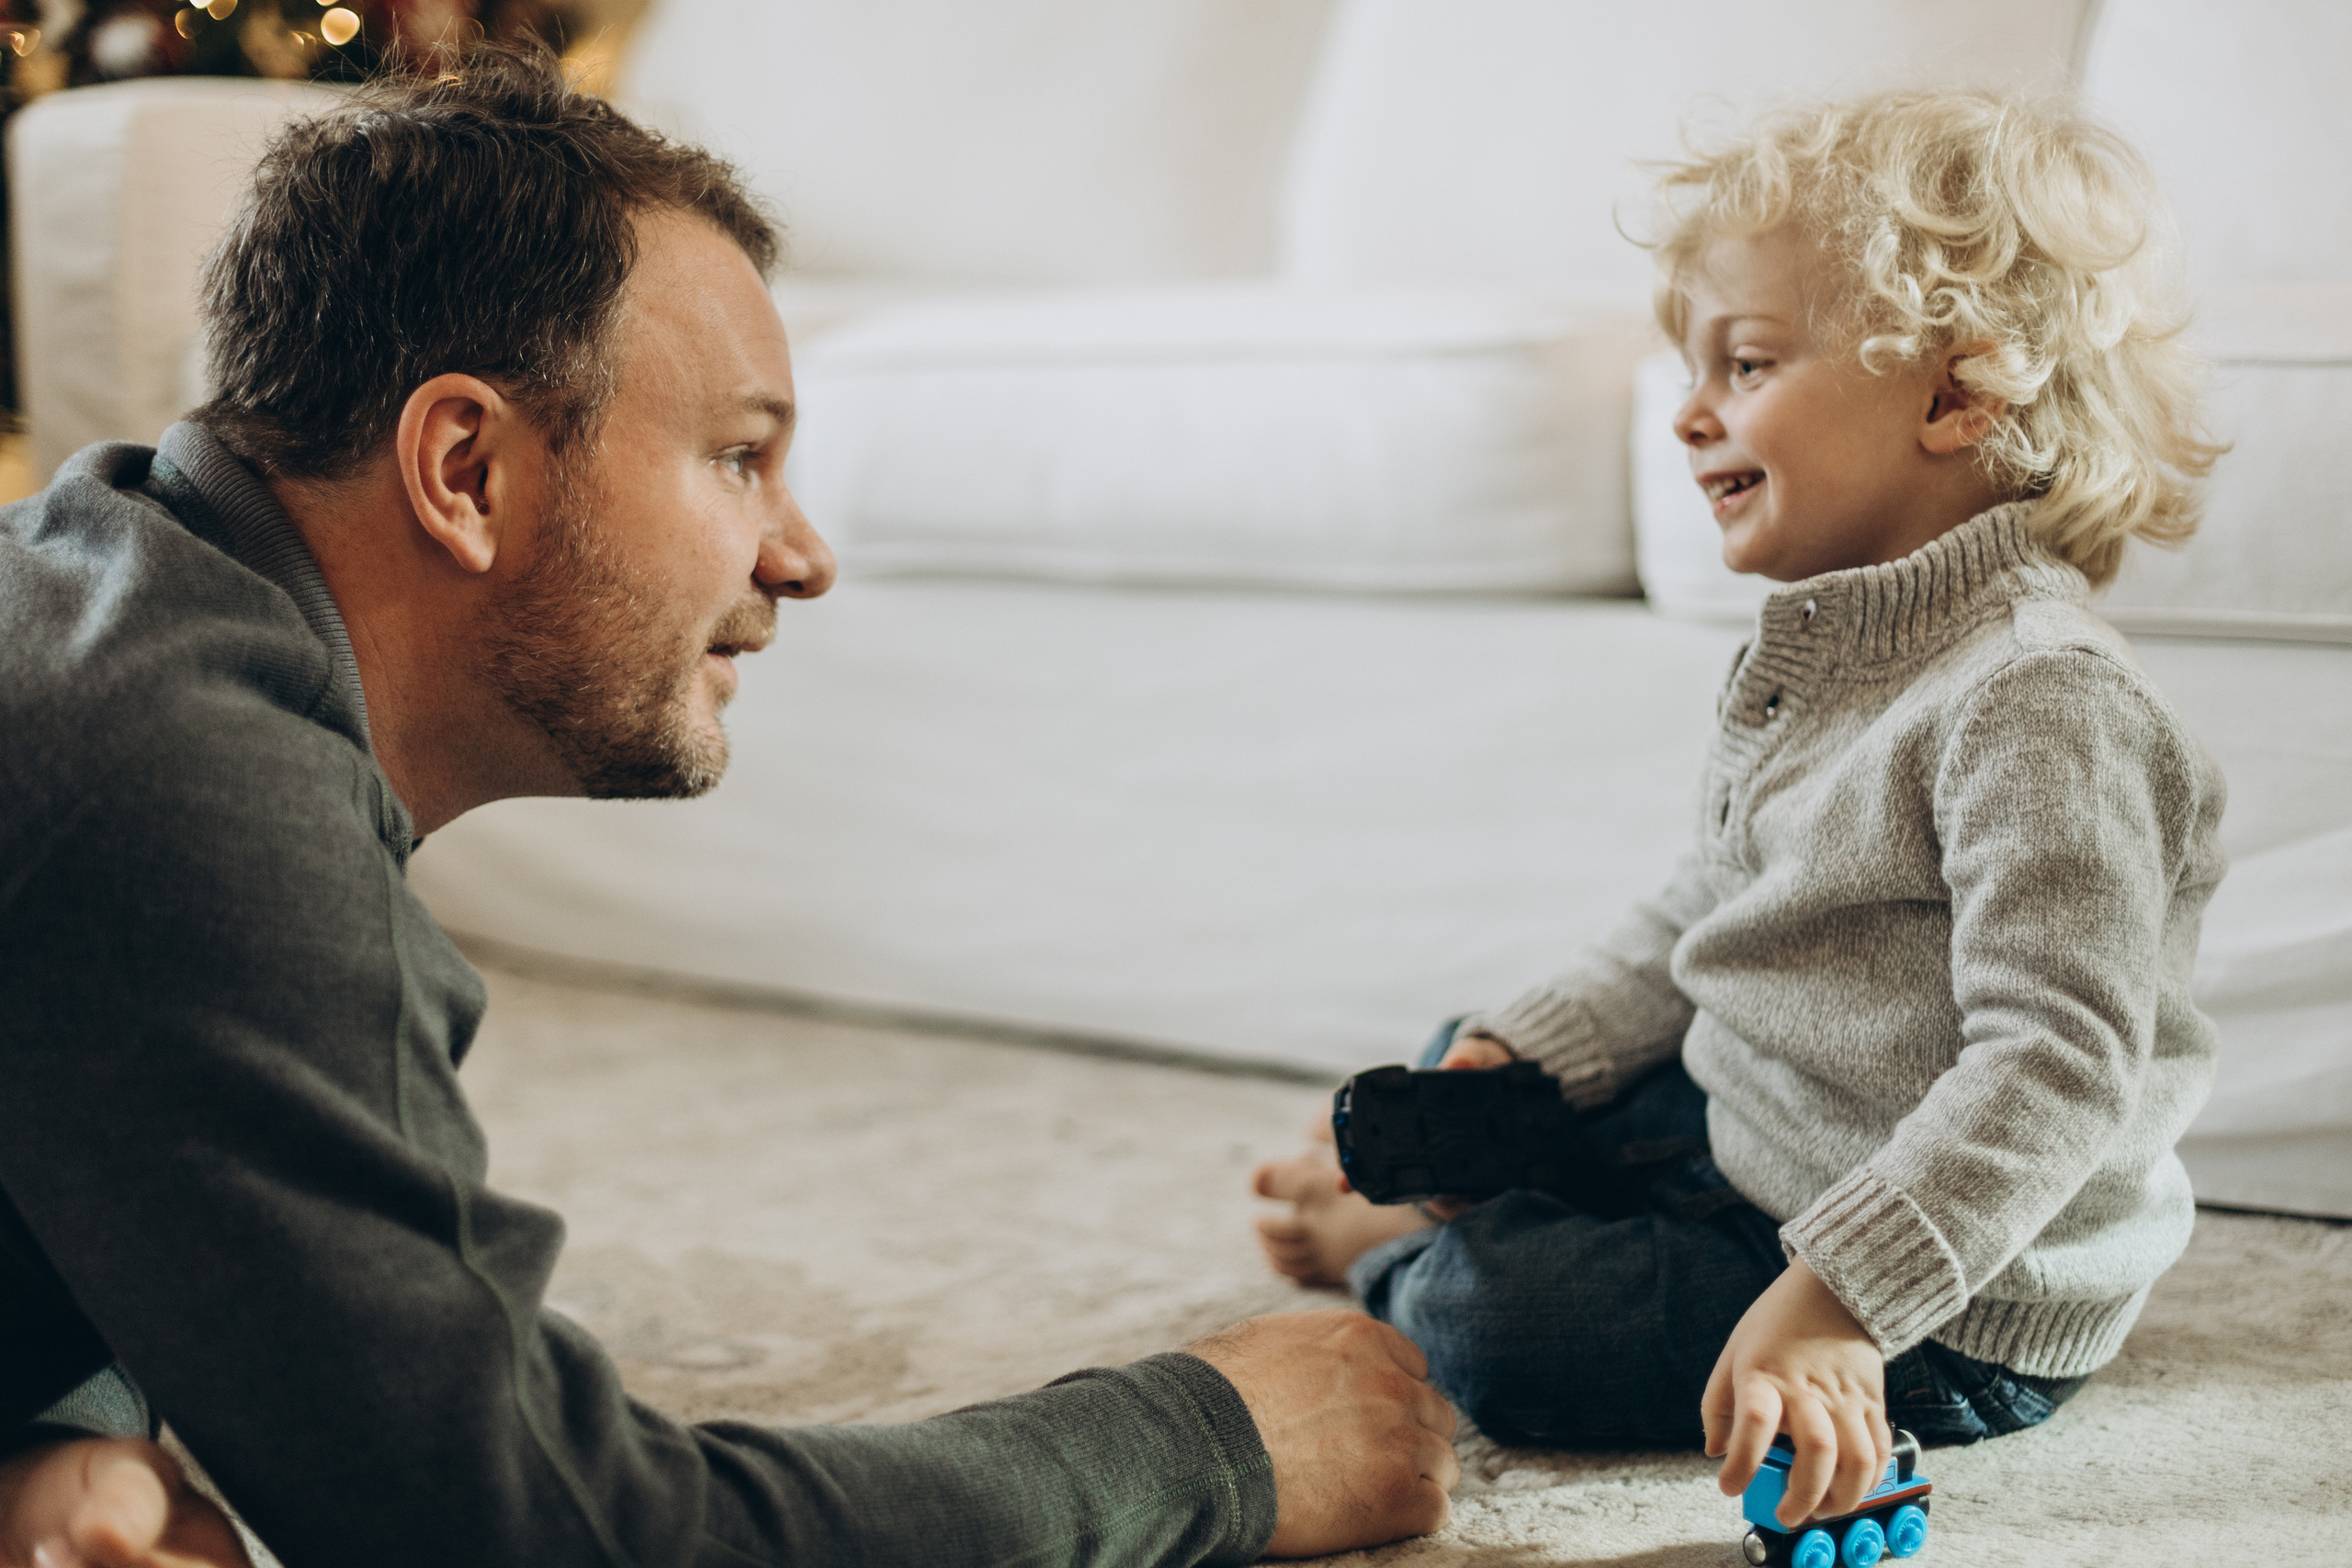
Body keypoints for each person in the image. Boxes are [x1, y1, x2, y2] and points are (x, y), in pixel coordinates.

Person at [0, 47, 1461, 1568]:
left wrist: (54, 1438)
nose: (802, 555)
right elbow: (542, 1531)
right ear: (464, 467)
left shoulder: (92, 602)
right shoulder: (190, 793)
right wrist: (1208, 1444)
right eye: (739, 458)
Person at [1253, 88, 2229, 1534]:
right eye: (1694, 367)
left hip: (1950, 1284)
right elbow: (1709, 911)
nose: (1692, 410)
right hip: (1762, 1125)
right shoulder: (1832, 657)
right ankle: (1477, 1174)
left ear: (1956, 398)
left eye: (1750, 361)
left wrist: (1837, 1304)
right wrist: (1522, 1051)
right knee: (1469, 1069)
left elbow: (2059, 1071)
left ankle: (1391, 1247)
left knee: (1509, 1327)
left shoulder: (2042, 703)